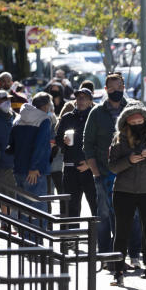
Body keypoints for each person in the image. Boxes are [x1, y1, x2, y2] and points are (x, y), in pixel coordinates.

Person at [107, 106, 146, 286]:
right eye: (133, 122)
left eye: (140, 122)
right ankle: (118, 272)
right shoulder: (118, 139)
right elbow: (112, 166)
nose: (137, 125)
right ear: (126, 123)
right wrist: (128, 160)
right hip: (124, 191)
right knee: (121, 232)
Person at [83, 73, 137, 253]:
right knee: (104, 214)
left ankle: (132, 252)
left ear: (124, 88)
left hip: (129, 172)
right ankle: (105, 252)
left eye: (120, 88)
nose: (117, 92)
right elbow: (88, 143)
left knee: (131, 214)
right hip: (104, 173)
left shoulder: (131, 109)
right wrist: (95, 171)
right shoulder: (97, 113)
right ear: (106, 90)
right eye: (112, 89)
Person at [55, 88, 98, 222]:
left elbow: (102, 144)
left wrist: (89, 164)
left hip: (90, 169)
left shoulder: (95, 118)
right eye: (78, 98)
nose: (81, 101)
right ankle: (70, 242)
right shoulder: (67, 117)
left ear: (91, 101)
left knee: (96, 206)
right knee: (71, 209)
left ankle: (100, 241)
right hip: (70, 168)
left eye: (84, 98)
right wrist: (63, 141)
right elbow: (57, 139)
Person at [9, 92, 54, 208]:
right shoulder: (44, 119)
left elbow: (11, 144)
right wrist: (34, 168)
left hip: (19, 169)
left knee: (23, 208)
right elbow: (40, 146)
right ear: (45, 106)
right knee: (37, 211)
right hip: (34, 172)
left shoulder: (18, 118)